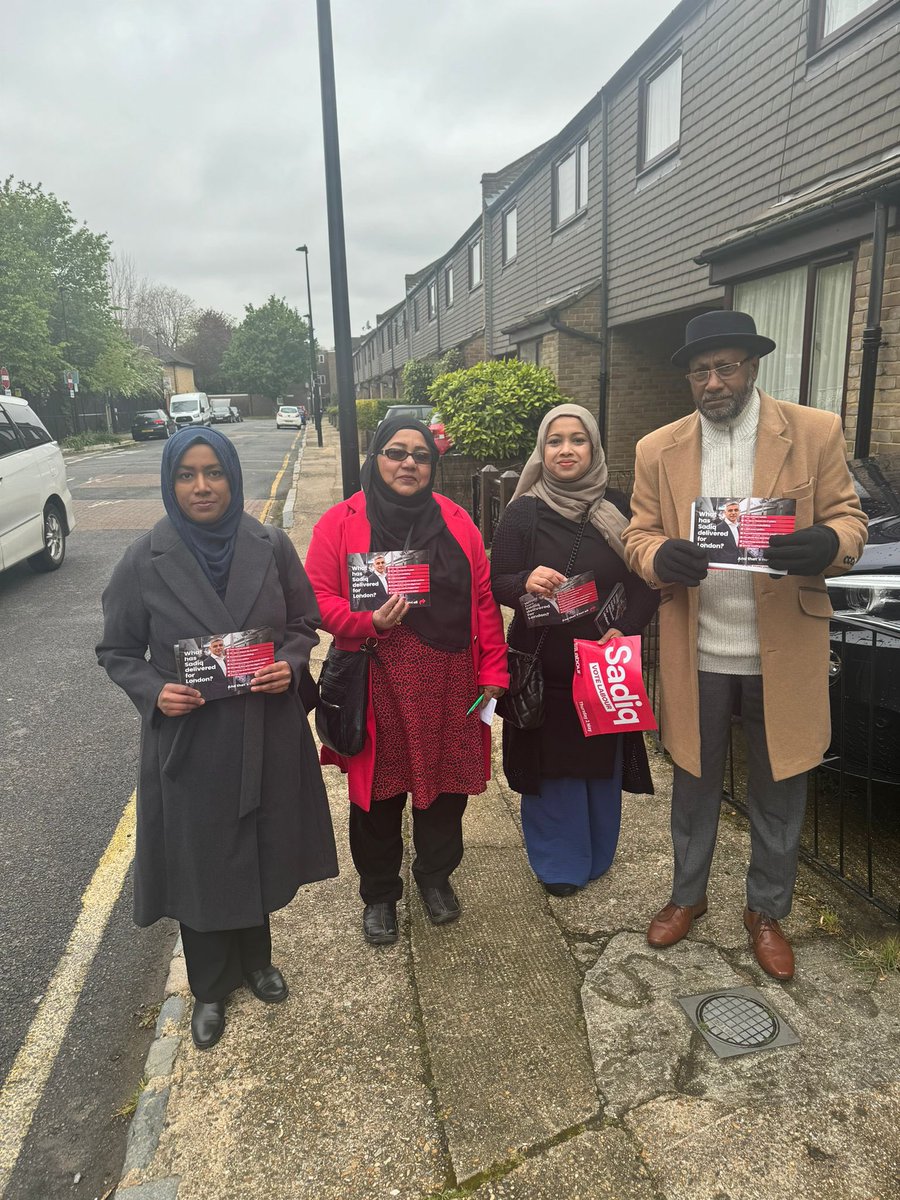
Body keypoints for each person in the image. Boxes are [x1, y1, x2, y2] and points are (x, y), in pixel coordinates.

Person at [622, 310, 867, 980]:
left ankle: (767, 911)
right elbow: (637, 534)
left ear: (752, 367)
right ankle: (687, 896)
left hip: (781, 645)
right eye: (701, 370)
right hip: (697, 644)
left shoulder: (814, 431)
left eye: (726, 365)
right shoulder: (657, 448)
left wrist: (829, 544)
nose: (713, 381)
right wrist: (657, 556)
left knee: (780, 785)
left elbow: (850, 520)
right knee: (694, 785)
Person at [97, 428, 338, 1049]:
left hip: (264, 730)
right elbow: (118, 650)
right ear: (171, 483)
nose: (202, 487)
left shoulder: (271, 544)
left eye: (214, 473)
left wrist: (290, 662)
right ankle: (209, 987)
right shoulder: (143, 559)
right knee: (202, 863)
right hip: (193, 743)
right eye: (187, 475)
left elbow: (304, 622)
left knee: (258, 847)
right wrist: (155, 691)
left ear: (232, 478)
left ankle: (258, 961)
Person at [305, 416, 508, 945]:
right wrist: (366, 621)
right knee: (378, 795)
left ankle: (435, 877)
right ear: (376, 458)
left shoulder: (458, 521)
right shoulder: (340, 522)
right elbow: (317, 599)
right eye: (396, 452)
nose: (408, 463)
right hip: (379, 678)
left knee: (445, 790)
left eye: (420, 455)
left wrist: (493, 669)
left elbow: (484, 600)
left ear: (432, 466)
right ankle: (379, 894)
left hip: (450, 679)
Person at [490, 404, 660, 895]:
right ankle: (559, 863)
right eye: (555, 441)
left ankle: (597, 850)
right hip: (544, 665)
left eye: (577, 439)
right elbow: (497, 581)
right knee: (553, 767)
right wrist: (526, 579)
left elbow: (647, 580)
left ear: (595, 448)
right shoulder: (525, 510)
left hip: (604, 666)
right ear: (541, 451)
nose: (566, 450)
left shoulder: (619, 507)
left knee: (598, 761)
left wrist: (625, 627)